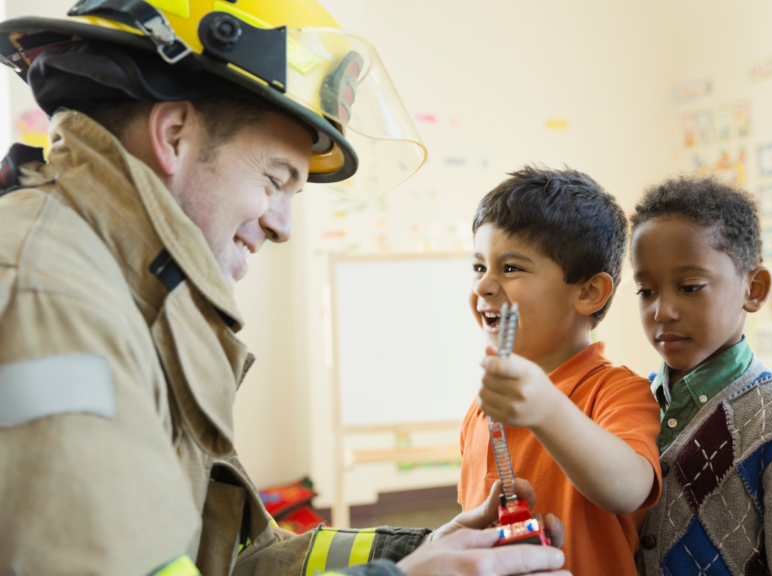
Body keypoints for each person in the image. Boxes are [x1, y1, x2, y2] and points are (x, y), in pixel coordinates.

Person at [0, 2, 567, 575]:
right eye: (275, 181)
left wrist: (418, 553)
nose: (282, 225)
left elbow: (238, 557)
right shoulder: (47, 297)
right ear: (173, 136)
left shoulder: (133, 293)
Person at [629, 176, 772, 575]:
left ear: (754, 289)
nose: (662, 311)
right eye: (646, 291)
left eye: (689, 287)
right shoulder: (630, 402)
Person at [460, 166, 663, 575]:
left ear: (588, 292)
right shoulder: (482, 410)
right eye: (480, 267)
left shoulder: (616, 390)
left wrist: (546, 408)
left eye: (511, 268)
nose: (484, 286)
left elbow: (630, 488)